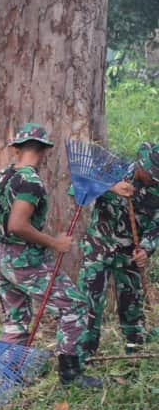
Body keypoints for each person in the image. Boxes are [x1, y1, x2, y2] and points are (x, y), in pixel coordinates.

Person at [0, 123, 101, 388]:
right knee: (74, 305)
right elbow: (17, 224)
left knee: (15, 318)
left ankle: (8, 377)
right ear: (45, 151)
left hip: (0, 254)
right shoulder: (31, 182)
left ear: (16, 148)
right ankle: (70, 374)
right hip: (24, 258)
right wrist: (54, 242)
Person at [78, 141, 158, 357]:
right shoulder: (114, 169)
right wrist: (109, 186)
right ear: (140, 164)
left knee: (132, 303)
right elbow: (77, 188)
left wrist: (146, 249)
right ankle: (85, 354)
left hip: (130, 251)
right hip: (98, 246)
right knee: (90, 302)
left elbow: (156, 225)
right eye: (149, 173)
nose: (152, 179)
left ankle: (135, 353)